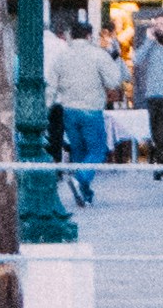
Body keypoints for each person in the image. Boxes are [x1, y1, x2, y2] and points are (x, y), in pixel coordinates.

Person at [47, 17, 114, 211]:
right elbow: (113, 80)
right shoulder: (98, 54)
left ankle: (85, 193)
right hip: (91, 109)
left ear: (70, 35)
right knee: (97, 150)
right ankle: (80, 179)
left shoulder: (62, 56)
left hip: (68, 109)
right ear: (89, 35)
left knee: (78, 152)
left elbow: (52, 85)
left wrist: (47, 106)